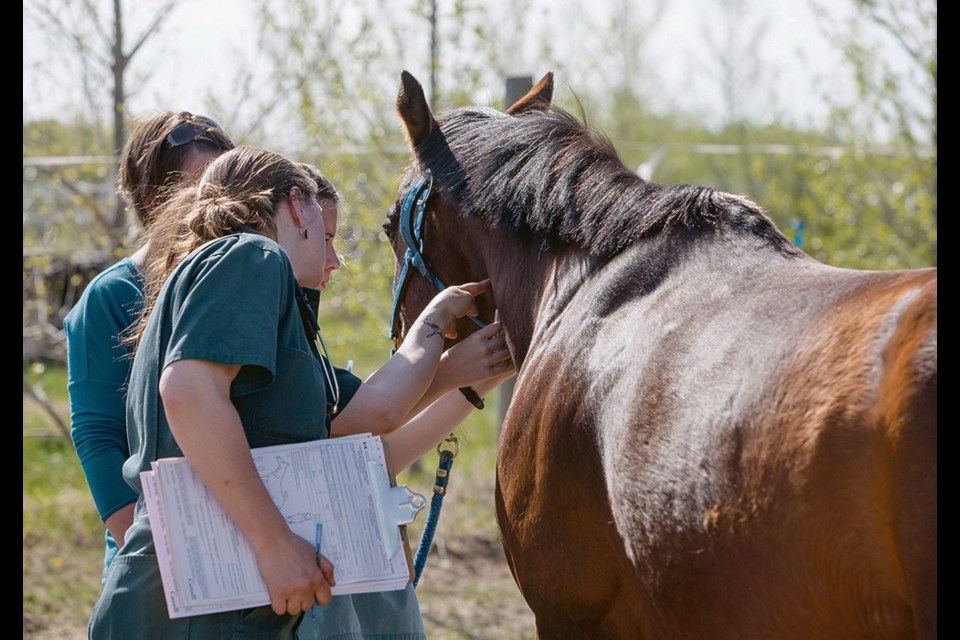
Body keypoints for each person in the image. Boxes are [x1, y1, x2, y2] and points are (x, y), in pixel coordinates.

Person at [88, 146, 513, 639]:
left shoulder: (240, 284)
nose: (334, 257)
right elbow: (188, 393)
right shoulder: (252, 255)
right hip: (194, 611)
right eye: (327, 235)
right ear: (296, 206)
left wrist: (440, 327)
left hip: (198, 605)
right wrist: (274, 542)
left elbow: (375, 410)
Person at [294, 163, 513, 640]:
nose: (335, 261)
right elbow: (369, 419)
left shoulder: (300, 335)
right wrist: (448, 365)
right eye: (323, 240)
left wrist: (477, 380)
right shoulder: (281, 346)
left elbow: (375, 454)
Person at [64, 111, 234, 578]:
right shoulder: (112, 297)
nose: (218, 205)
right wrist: (153, 558)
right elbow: (99, 439)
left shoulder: (243, 289)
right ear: (152, 201)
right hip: (158, 560)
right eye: (197, 190)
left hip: (243, 547)